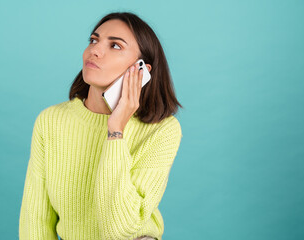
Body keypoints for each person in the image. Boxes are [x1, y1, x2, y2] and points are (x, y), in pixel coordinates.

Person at [19, 11, 183, 240]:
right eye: (94, 40)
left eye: (115, 46)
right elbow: (35, 220)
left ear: (142, 69)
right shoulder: (51, 121)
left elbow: (120, 229)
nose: (94, 50)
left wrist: (116, 129)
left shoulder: (162, 130)